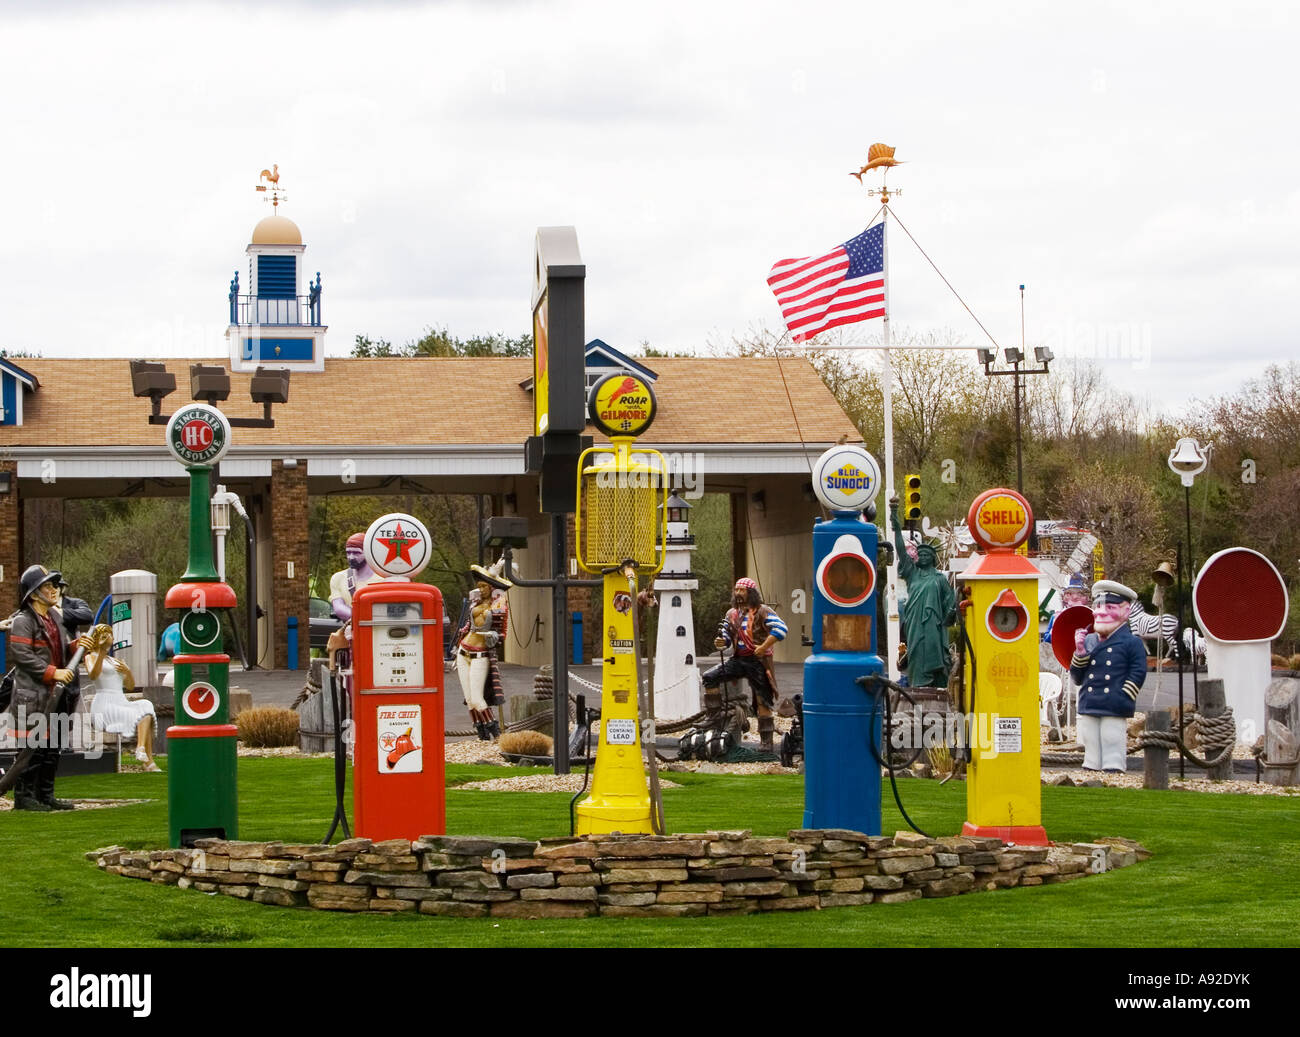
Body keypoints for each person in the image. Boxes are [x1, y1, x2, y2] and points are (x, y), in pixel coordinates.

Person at [6, 565, 81, 810]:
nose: (54, 590)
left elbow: (61, 649)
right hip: (33, 697)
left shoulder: (55, 618)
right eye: (48, 586)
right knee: (32, 749)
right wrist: (53, 672)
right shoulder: (23, 621)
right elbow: (22, 655)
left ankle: (45, 794)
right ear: (34, 593)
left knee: (52, 748)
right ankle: (24, 797)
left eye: (54, 586)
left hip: (56, 696)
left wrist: (80, 645)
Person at [702, 577, 787, 751]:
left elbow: (781, 629)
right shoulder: (731, 614)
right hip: (738, 659)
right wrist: (721, 642)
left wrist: (763, 647)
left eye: (742, 590)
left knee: (762, 700)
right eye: (737, 590)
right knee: (710, 677)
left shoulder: (763, 611)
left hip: (759, 661)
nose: (739, 593)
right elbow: (725, 637)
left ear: (751, 592)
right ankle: (713, 716)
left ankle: (766, 742)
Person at [1071, 580, 1146, 772]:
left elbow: (1138, 671)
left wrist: (1124, 694)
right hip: (1090, 700)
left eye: (1110, 607)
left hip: (1114, 701)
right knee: (1091, 738)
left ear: (1125, 611)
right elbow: (1078, 677)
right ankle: (1092, 765)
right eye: (1098, 606)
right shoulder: (1088, 640)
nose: (1101, 612)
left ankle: (1113, 767)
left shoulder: (1131, 643)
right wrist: (1080, 652)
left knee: (1111, 736)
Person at [889, 500, 956, 689]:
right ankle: (918, 688)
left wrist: (951, 612)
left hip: (934, 625)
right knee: (917, 652)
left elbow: (949, 602)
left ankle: (938, 687)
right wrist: (894, 520)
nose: (924, 557)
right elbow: (901, 550)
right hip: (915, 623)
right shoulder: (913, 574)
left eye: (928, 555)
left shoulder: (940, 579)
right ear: (918, 557)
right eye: (921, 554)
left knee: (936, 655)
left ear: (933, 558)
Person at [82, 623, 159, 771]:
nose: (108, 637)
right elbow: (93, 675)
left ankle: (141, 748)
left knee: (146, 705)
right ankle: (147, 761)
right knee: (142, 714)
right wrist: (102, 652)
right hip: (104, 705)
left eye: (109, 634)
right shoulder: (90, 657)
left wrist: (127, 671)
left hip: (120, 701)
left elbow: (130, 686)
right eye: (104, 635)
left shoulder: (114, 661)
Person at [455, 564, 512, 740]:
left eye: (484, 586)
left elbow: (502, 633)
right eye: (479, 586)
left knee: (478, 698)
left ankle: (495, 732)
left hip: (481, 654)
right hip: (463, 651)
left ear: (492, 588)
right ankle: (482, 734)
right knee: (470, 700)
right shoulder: (475, 602)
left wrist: (494, 636)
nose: (481, 589)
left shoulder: (500, 606)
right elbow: (468, 625)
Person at [1042, 571, 1090, 643]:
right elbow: (1047, 641)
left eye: (1079, 593)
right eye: (1070, 593)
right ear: (1064, 597)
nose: (1075, 597)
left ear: (1085, 598)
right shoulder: (1056, 616)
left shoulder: (1091, 615)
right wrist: (1056, 625)